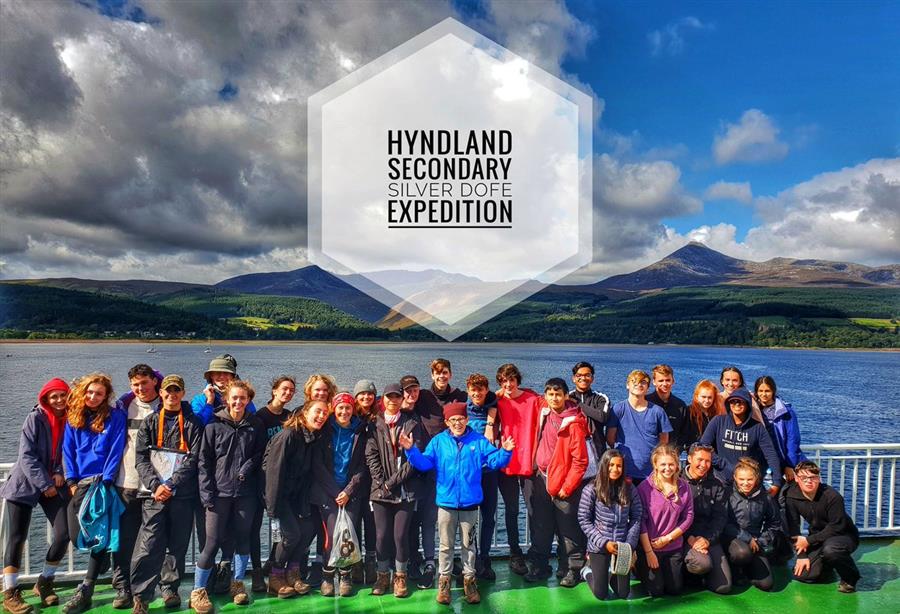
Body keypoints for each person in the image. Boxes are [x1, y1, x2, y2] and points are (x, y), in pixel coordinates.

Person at [399, 402, 514, 605]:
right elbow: (425, 464)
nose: (457, 423)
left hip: (470, 504)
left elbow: (494, 461)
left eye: (461, 419)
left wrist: (504, 451)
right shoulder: (438, 442)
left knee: (469, 545)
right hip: (446, 504)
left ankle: (469, 581)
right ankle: (444, 583)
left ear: (467, 420)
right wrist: (411, 451)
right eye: (453, 420)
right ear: (446, 422)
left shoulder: (478, 441)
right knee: (445, 546)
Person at [129, 375, 203, 614]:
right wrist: (155, 485)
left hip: (182, 495)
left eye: (176, 391)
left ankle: (170, 587)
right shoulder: (150, 422)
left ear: (183, 393)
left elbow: (194, 459)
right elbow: (141, 459)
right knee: (149, 543)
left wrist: (171, 484)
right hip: (154, 495)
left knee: (177, 544)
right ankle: (141, 595)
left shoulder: (192, 424)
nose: (172, 395)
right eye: (168, 391)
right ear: (161, 393)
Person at [190, 380, 266, 613]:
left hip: (245, 493)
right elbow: (204, 462)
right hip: (218, 493)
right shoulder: (214, 425)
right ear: (226, 400)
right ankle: (198, 590)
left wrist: (246, 469)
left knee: (242, 538)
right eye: (234, 398)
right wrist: (206, 494)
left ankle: (238, 583)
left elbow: (260, 454)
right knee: (211, 543)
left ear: (248, 400)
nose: (238, 402)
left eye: (243, 398)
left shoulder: (255, 425)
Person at [1, 378, 71, 614]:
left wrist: (60, 471)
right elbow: (27, 456)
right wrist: (45, 483)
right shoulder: (35, 418)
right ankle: (10, 592)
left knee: (64, 533)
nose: (59, 400)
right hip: (25, 483)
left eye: (63, 395)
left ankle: (44, 581)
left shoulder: (70, 418)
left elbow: (67, 450)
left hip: (53, 483)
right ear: (46, 399)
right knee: (17, 537)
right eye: (54, 396)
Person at [60, 373, 127, 614]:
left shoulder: (115, 416)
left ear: (106, 396)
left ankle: (87, 588)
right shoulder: (74, 416)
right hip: (79, 484)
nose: (93, 396)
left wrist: (107, 479)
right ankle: (102, 561)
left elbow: (116, 448)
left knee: (98, 536)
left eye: (98, 393)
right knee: (75, 533)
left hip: (101, 483)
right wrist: (71, 481)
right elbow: (68, 449)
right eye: (89, 392)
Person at [524, 378, 590, 587]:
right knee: (541, 526)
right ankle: (540, 566)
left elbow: (581, 461)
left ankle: (572, 569)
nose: (554, 398)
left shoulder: (574, 423)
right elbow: (520, 393)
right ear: (546, 396)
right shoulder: (544, 411)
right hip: (542, 479)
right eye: (550, 394)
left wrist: (567, 487)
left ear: (565, 396)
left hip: (564, 484)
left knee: (568, 529)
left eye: (558, 394)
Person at [365, 383, 426, 598]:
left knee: (400, 536)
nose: (393, 401)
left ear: (402, 399)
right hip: (380, 491)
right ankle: (382, 576)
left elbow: (414, 459)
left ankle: (400, 577)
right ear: (383, 399)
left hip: (405, 490)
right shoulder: (374, 424)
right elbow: (371, 455)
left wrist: (391, 483)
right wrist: (382, 482)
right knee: (382, 536)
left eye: (397, 397)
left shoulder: (412, 423)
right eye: (389, 397)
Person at [263, 400, 328, 599]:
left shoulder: (312, 438)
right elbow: (273, 471)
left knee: (307, 530)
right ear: (305, 413)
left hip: (297, 496)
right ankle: (275, 576)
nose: (321, 416)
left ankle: (293, 572)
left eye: (325, 413)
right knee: (291, 535)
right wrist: (273, 507)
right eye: (317, 412)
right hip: (280, 496)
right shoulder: (288, 436)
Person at [112, 364, 163, 610]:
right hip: (127, 482)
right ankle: (122, 586)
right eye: (135, 384)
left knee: (151, 541)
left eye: (144, 383)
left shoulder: (165, 405)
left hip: (155, 486)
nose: (140, 388)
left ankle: (145, 591)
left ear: (154, 381)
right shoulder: (124, 406)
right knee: (124, 539)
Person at [310, 393, 368, 597]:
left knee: (347, 535)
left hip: (351, 492)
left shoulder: (360, 431)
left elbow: (362, 465)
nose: (344, 412)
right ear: (334, 409)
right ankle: (327, 575)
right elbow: (317, 464)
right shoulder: (324, 430)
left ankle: (345, 575)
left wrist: (348, 491)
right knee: (331, 535)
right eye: (340, 408)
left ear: (353, 409)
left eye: (348, 408)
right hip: (328, 493)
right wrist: (336, 492)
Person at [782, 460, 861, 593]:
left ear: (818, 478)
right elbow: (793, 526)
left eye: (813, 477)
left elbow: (837, 526)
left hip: (843, 535)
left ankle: (850, 578)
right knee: (803, 575)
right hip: (818, 536)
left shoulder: (832, 496)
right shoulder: (791, 495)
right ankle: (828, 564)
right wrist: (802, 556)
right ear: (796, 478)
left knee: (831, 550)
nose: (809, 481)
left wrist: (809, 541)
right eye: (804, 477)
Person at [251, 376, 297, 593]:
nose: (287, 393)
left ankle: (272, 565)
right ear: (274, 390)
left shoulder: (289, 417)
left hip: (282, 483)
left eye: (291, 391)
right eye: (284, 389)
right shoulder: (261, 416)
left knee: (281, 530)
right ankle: (257, 572)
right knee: (254, 529)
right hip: (261, 481)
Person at [577, 449, 642, 601]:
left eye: (619, 466)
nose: (615, 469)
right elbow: (583, 519)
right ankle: (586, 571)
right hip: (599, 546)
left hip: (621, 545)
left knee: (623, 593)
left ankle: (611, 574)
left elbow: (637, 517)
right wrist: (604, 543)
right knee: (601, 594)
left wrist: (629, 544)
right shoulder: (591, 489)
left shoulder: (629, 488)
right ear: (604, 465)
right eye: (611, 465)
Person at [495, 363, 540, 576]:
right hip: (506, 463)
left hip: (529, 462)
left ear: (517, 380)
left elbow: (555, 403)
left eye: (511, 380)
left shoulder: (533, 399)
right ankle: (515, 554)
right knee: (511, 510)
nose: (508, 384)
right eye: (504, 381)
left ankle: (537, 553)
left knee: (534, 510)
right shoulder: (497, 401)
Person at [400, 374, 441, 589]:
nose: (412, 394)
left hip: (429, 474)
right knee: (410, 522)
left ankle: (429, 562)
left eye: (415, 390)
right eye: (408, 390)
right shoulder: (397, 414)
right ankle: (412, 561)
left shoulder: (425, 408)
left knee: (428, 520)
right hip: (407, 476)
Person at [636, 444, 693, 598]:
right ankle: (639, 566)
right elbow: (640, 522)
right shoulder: (644, 488)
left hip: (672, 547)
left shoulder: (684, 487)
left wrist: (668, 538)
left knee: (675, 589)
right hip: (650, 547)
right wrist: (649, 552)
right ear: (655, 465)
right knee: (656, 591)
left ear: (677, 465)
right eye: (663, 464)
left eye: (671, 464)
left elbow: (688, 517)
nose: (667, 468)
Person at [699, 388, 783, 493]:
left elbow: (770, 455)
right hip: (721, 480)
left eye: (740, 401)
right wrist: (722, 464)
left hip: (746, 483)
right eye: (733, 401)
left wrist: (776, 482)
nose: (737, 404)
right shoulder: (718, 421)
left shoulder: (757, 428)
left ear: (748, 404)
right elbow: (703, 447)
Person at [463, 373, 501, 579]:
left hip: (489, 472)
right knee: (468, 520)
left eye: (480, 390)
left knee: (489, 518)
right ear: (468, 391)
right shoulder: (463, 409)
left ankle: (485, 558)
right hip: (469, 474)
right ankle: (470, 559)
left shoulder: (495, 407)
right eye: (473, 390)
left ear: (486, 390)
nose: (477, 393)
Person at [722, 458, 782, 591]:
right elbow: (724, 523)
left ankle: (748, 569)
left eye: (750, 479)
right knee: (742, 553)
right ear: (735, 478)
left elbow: (774, 522)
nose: (745, 483)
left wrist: (761, 540)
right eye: (741, 479)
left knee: (766, 584)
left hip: (756, 542)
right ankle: (735, 569)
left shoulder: (765, 497)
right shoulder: (727, 494)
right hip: (733, 539)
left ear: (756, 479)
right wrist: (747, 538)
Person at [682, 443, 731, 594]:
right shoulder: (677, 482)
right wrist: (689, 537)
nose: (703, 465)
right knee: (702, 564)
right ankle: (687, 572)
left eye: (707, 461)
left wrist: (707, 539)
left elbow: (720, 517)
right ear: (689, 459)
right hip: (683, 537)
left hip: (707, 537)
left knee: (724, 587)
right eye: (700, 460)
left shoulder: (716, 484)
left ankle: (705, 574)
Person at [609, 370, 672, 483]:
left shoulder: (658, 412)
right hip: (624, 472)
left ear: (648, 387)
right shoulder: (618, 409)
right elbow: (610, 438)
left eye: (643, 382)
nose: (638, 384)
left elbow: (664, 441)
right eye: (634, 381)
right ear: (627, 385)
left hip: (651, 473)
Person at [754, 376, 806, 484]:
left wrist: (789, 464)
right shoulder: (754, 409)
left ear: (773, 391)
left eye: (767, 391)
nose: (764, 394)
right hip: (761, 460)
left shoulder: (785, 411)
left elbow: (793, 439)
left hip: (781, 460)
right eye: (760, 391)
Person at [352, 380, 379, 584]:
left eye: (370, 394)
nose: (366, 397)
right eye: (362, 394)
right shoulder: (350, 417)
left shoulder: (378, 418)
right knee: (353, 524)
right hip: (353, 479)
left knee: (371, 524)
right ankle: (355, 564)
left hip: (373, 479)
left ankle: (371, 563)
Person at [190, 355, 257, 426]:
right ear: (211, 376)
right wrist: (209, 403)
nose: (222, 376)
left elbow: (252, 422)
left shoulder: (242, 399)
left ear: (233, 376)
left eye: (226, 373)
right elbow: (198, 426)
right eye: (217, 373)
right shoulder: (199, 401)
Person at [568, 361, 613, 460]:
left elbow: (603, 417)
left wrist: (578, 404)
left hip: (597, 451)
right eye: (579, 375)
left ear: (592, 378)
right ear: (574, 378)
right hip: (572, 451)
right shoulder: (567, 397)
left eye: (587, 375)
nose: (583, 378)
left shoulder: (601, 398)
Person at [647, 365, 687, 452]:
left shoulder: (680, 406)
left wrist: (676, 452)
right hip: (647, 454)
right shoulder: (646, 402)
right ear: (654, 382)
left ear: (673, 381)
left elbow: (684, 434)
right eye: (661, 380)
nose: (665, 384)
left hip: (671, 455)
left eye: (668, 380)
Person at [678, 380, 719, 452]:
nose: (707, 400)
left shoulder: (716, 413)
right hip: (695, 452)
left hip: (712, 452)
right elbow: (683, 434)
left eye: (710, 397)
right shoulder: (689, 412)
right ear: (697, 397)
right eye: (703, 397)